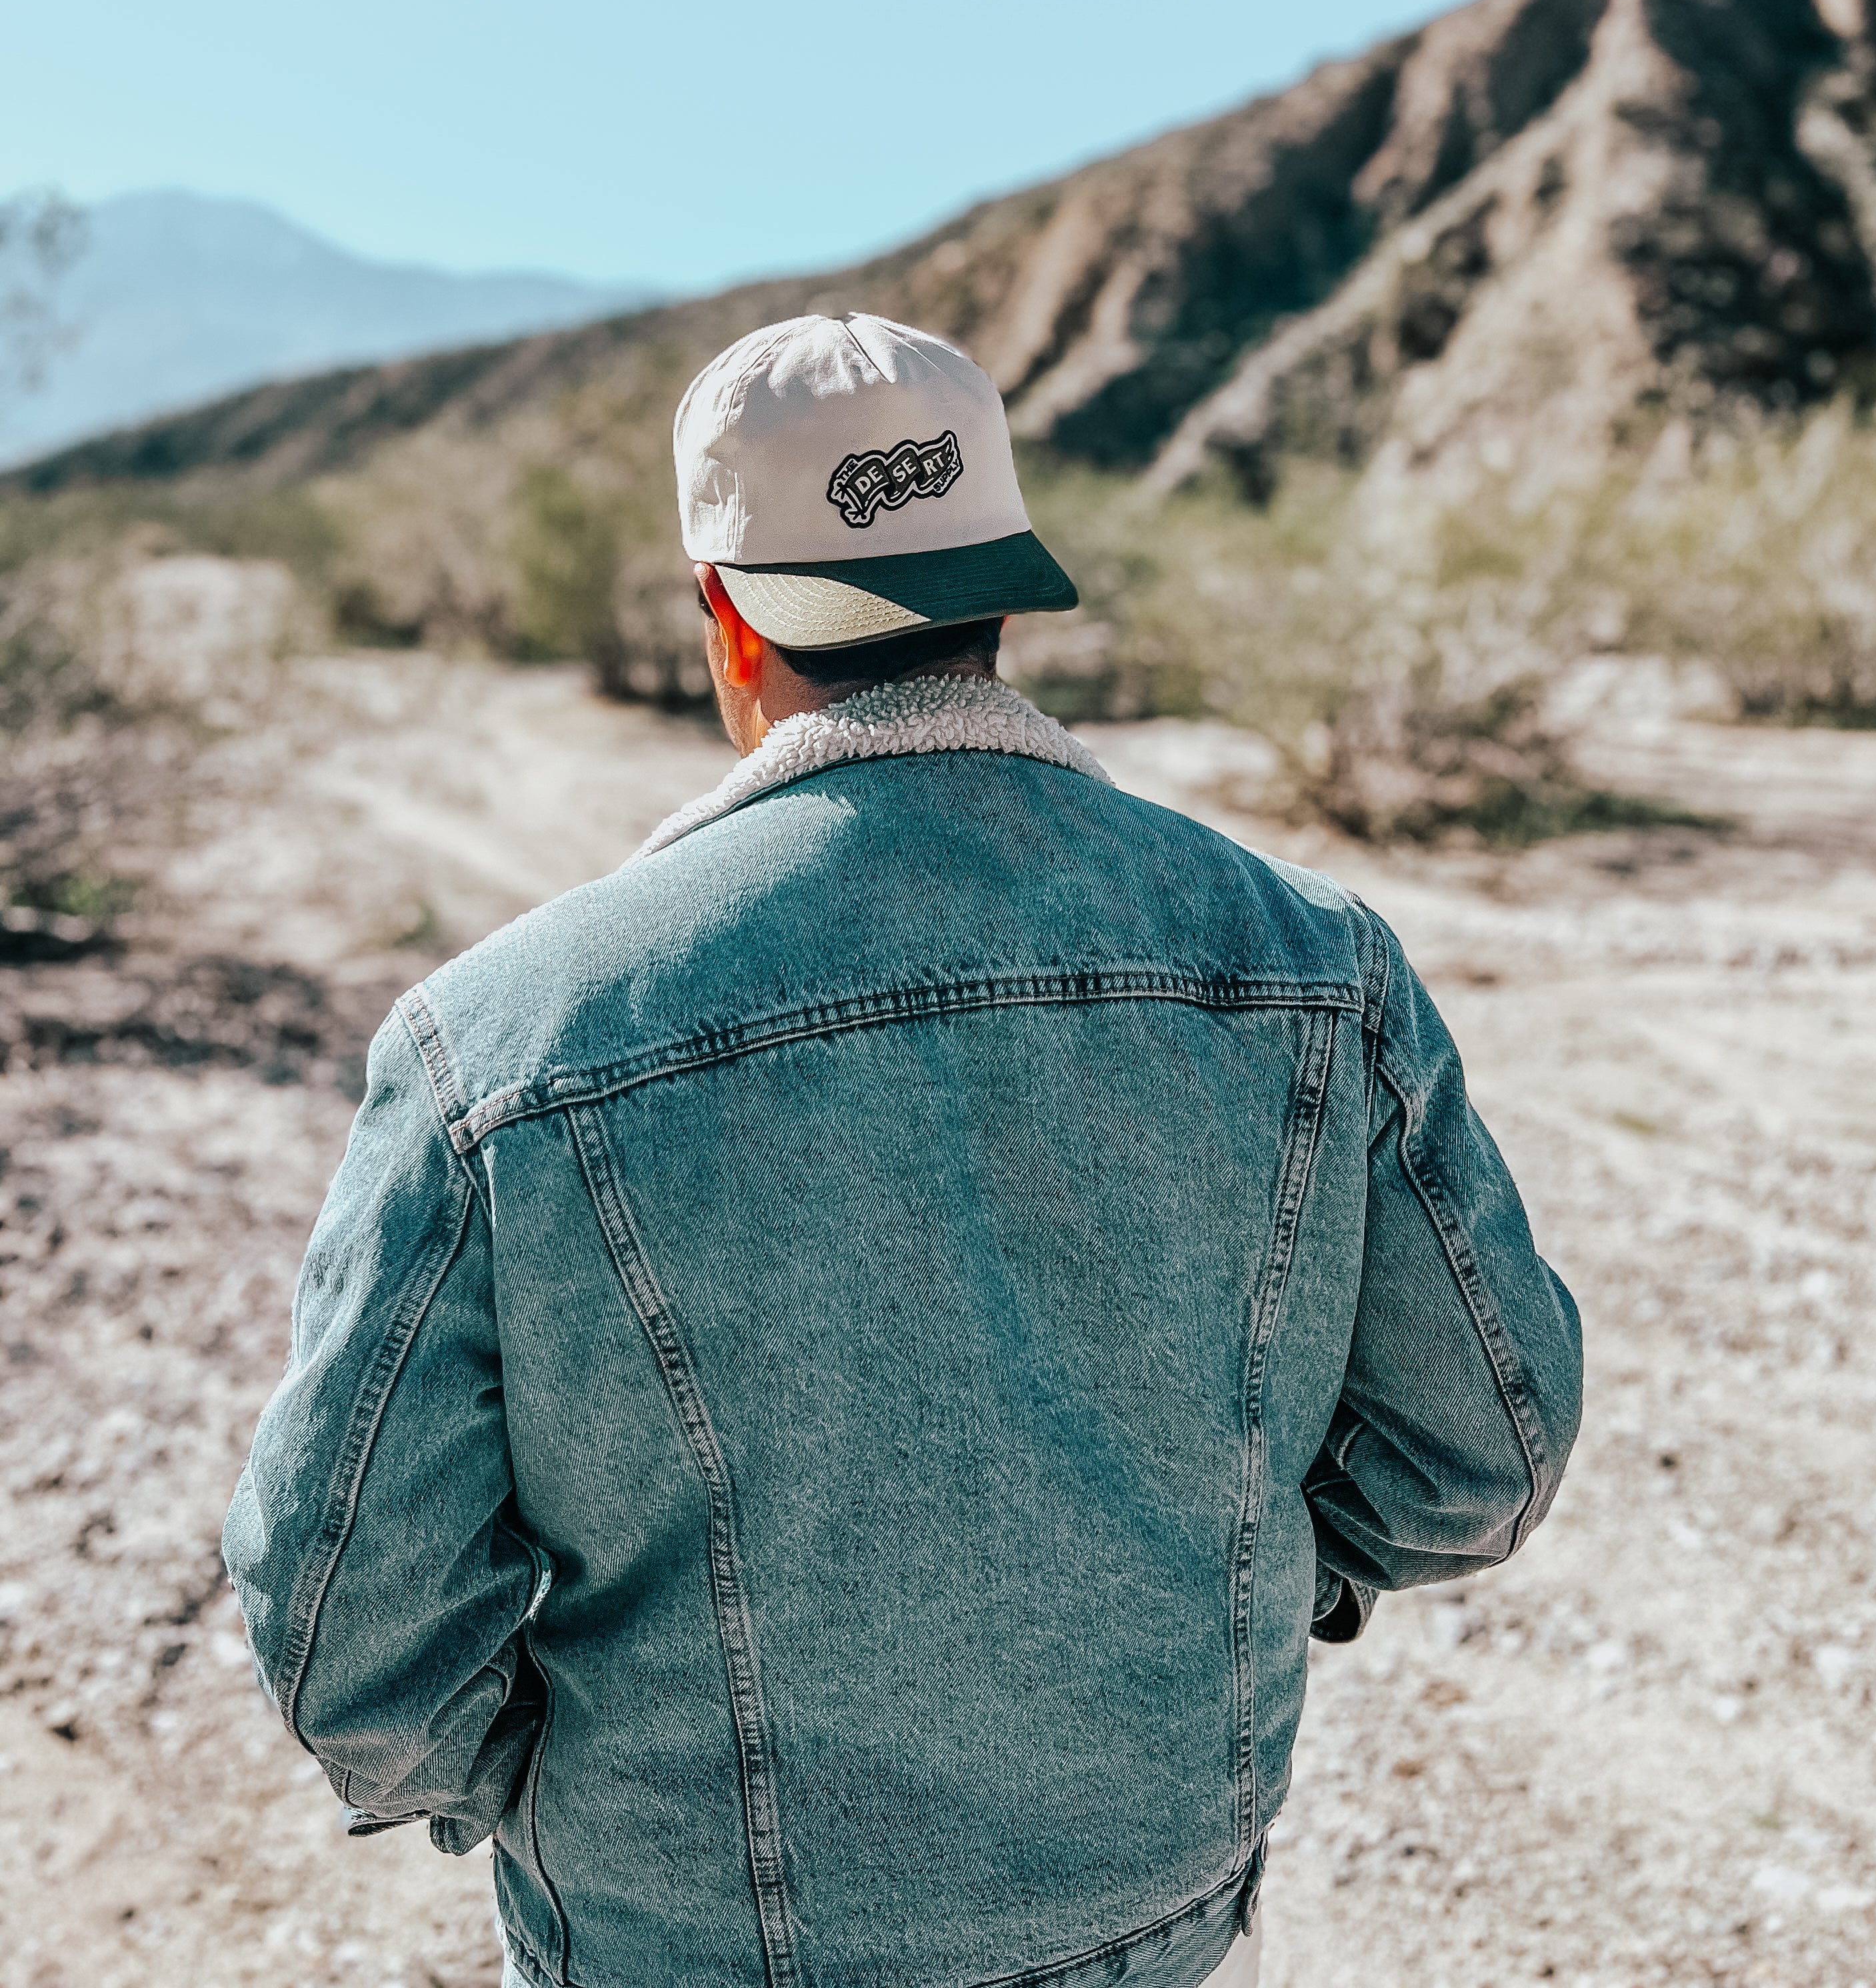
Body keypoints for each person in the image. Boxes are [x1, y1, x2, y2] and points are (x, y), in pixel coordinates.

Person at [224, 311, 1583, 1988]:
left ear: (728, 620)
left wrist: (556, 1799)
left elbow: (346, 1617)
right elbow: (1483, 1453)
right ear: (999, 594)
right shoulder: (1315, 961)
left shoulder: (495, 1050)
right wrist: (1224, 1589)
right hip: (1158, 1926)